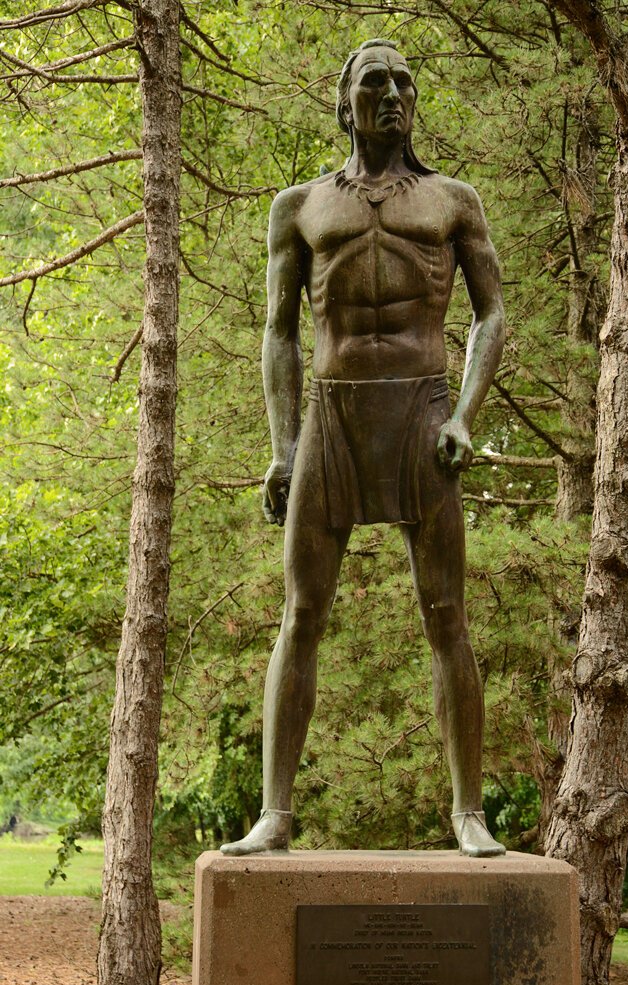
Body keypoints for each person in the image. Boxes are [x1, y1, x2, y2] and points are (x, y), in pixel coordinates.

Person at [221, 39, 506, 858]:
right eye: (375, 81)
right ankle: (275, 813)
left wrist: (465, 416)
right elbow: (277, 334)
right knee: (302, 613)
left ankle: (467, 812)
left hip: (422, 413)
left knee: (447, 614)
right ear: (344, 101)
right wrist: (283, 445)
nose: (394, 93)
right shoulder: (301, 206)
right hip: (333, 417)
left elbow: (492, 315)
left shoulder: (452, 200)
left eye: (405, 81)